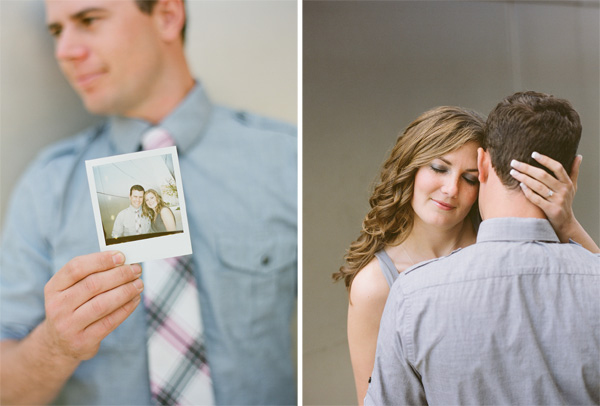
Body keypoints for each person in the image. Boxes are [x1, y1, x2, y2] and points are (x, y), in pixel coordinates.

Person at [0, 1, 297, 405]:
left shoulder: (286, 161)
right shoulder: (46, 187)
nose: (65, 51)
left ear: (167, 16)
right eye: (56, 32)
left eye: (88, 20)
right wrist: (55, 345)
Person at [333, 106, 599, 405]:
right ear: (411, 166)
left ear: (485, 174)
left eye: (469, 178)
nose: (450, 189)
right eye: (439, 168)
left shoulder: (503, 244)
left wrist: (568, 222)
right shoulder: (374, 286)